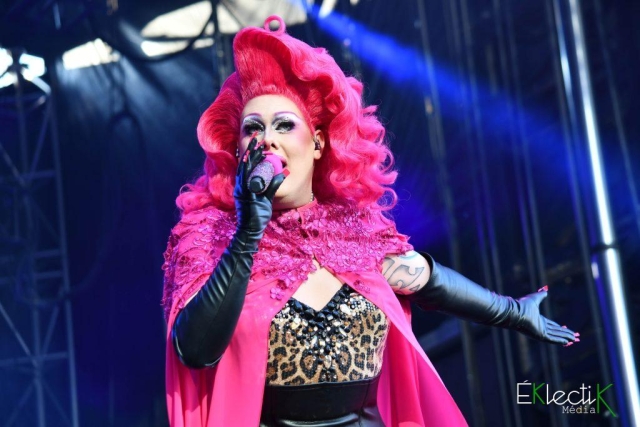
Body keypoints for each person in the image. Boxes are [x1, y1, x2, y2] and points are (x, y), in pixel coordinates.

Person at [161, 15, 579, 427]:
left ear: (318, 142)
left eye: (284, 125)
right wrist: (249, 230)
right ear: (238, 151)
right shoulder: (209, 236)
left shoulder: (354, 229)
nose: (267, 139)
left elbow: (426, 278)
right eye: (252, 129)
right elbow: (194, 350)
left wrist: (514, 312)